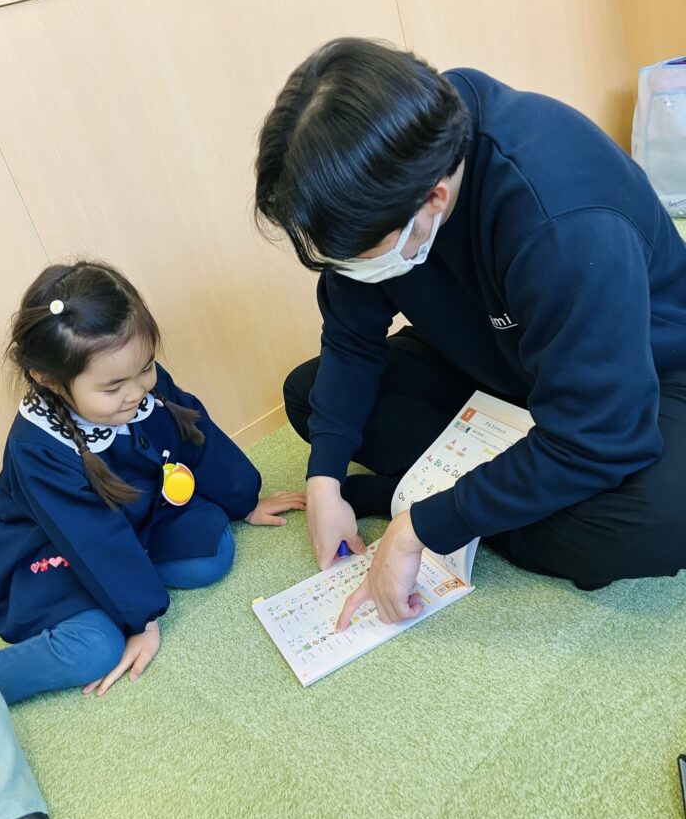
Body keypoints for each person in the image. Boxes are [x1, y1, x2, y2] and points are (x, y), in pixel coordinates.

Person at [254, 37, 686, 630]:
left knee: (656, 523)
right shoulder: (390, 168)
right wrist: (325, 480)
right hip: (493, 356)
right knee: (312, 397)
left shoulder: (564, 220)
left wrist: (420, 527)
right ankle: (501, 491)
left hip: (645, 375)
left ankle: (425, 496)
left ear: (433, 199)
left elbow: (603, 434)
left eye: (358, 254)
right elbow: (352, 339)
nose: (350, 268)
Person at [0, 261, 305, 703]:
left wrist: (246, 500)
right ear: (48, 380)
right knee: (98, 647)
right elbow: (93, 539)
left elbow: (194, 433)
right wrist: (142, 621)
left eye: (145, 368)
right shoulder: (39, 449)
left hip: (134, 517)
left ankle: (130, 583)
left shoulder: (140, 385)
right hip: (51, 555)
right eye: (112, 387)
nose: (136, 392)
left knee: (211, 554)